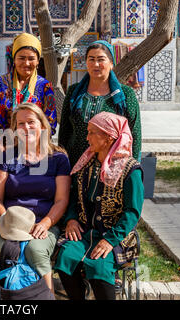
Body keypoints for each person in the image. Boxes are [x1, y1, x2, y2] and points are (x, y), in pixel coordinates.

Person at [54, 111, 144, 300]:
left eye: (92, 132)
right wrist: (71, 219)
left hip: (117, 235)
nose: (87, 138)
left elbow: (132, 213)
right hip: (86, 232)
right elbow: (74, 198)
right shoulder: (86, 164)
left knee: (99, 265)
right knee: (66, 258)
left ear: (109, 137)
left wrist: (110, 240)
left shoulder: (130, 170)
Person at [0, 102, 71, 292]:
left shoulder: (58, 158)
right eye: (20, 124)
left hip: (44, 223)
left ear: (43, 125)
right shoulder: (7, 156)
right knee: (11, 252)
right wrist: (9, 222)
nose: (26, 128)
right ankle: (10, 298)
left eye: (31, 122)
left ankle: (45, 296)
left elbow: (61, 200)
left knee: (35, 250)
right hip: (8, 222)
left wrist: (45, 224)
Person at [58, 40, 142, 167]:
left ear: (111, 63)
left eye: (101, 59)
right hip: (76, 164)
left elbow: (134, 134)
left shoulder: (125, 94)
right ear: (86, 63)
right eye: (91, 59)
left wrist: (132, 167)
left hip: (112, 166)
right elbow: (64, 132)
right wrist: (62, 166)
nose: (95, 64)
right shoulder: (74, 92)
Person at [0, 33, 57, 138]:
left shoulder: (45, 86)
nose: (27, 63)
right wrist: (1, 142)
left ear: (38, 61)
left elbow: (50, 121)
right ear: (14, 59)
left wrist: (36, 143)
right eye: (21, 58)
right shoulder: (0, 83)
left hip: (35, 146)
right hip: (4, 146)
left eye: (31, 58)